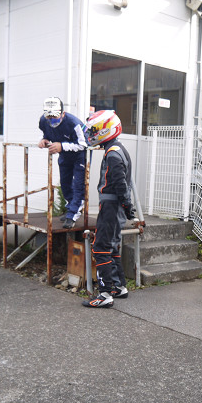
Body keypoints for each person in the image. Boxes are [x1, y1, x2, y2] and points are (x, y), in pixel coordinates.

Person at [82, 110, 135, 308]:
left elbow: (120, 183)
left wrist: (127, 206)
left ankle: (105, 295)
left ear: (106, 130)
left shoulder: (113, 154)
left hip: (111, 207)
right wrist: (127, 207)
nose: (91, 135)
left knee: (101, 247)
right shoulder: (117, 149)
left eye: (94, 131)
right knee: (110, 246)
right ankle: (119, 287)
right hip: (114, 206)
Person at [38, 97, 87, 229]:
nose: (52, 121)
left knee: (78, 185)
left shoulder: (74, 123)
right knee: (65, 184)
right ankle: (71, 207)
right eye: (49, 118)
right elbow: (46, 133)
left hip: (80, 155)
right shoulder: (43, 121)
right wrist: (44, 140)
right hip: (64, 155)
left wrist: (62, 146)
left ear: (63, 114)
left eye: (55, 118)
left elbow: (83, 145)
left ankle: (72, 215)